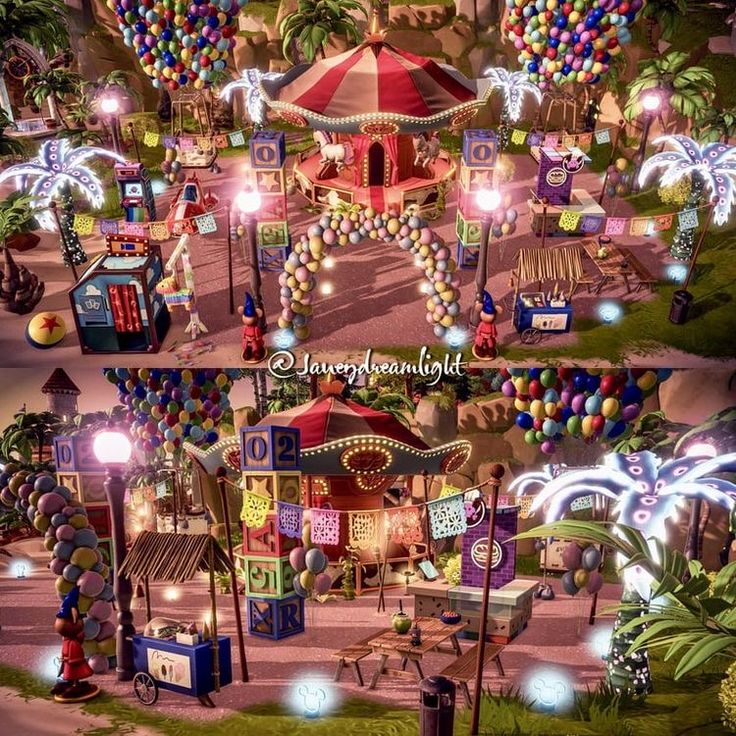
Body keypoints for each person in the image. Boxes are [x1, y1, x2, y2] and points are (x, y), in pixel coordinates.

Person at [51, 586, 99, 703]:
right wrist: (65, 658)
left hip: (73, 664)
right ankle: (71, 685)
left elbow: (76, 653)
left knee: (74, 674)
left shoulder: (71, 642)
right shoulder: (69, 640)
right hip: (69, 663)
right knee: (70, 675)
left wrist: (69, 659)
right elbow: (70, 651)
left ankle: (75, 685)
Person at [472, 290, 503, 360]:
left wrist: (493, 335)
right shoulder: (482, 324)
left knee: (490, 344)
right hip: (482, 336)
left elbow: (493, 331)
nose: (488, 317)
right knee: (479, 343)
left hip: (489, 337)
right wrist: (479, 333)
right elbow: (479, 329)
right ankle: (479, 350)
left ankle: (490, 351)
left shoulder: (491, 325)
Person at [238, 292, 266, 363]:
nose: (248, 319)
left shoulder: (256, 329)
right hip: (247, 342)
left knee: (256, 348)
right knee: (247, 348)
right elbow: (243, 335)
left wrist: (256, 339)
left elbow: (259, 337)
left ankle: (256, 352)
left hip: (254, 342)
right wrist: (245, 339)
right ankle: (248, 352)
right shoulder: (245, 328)